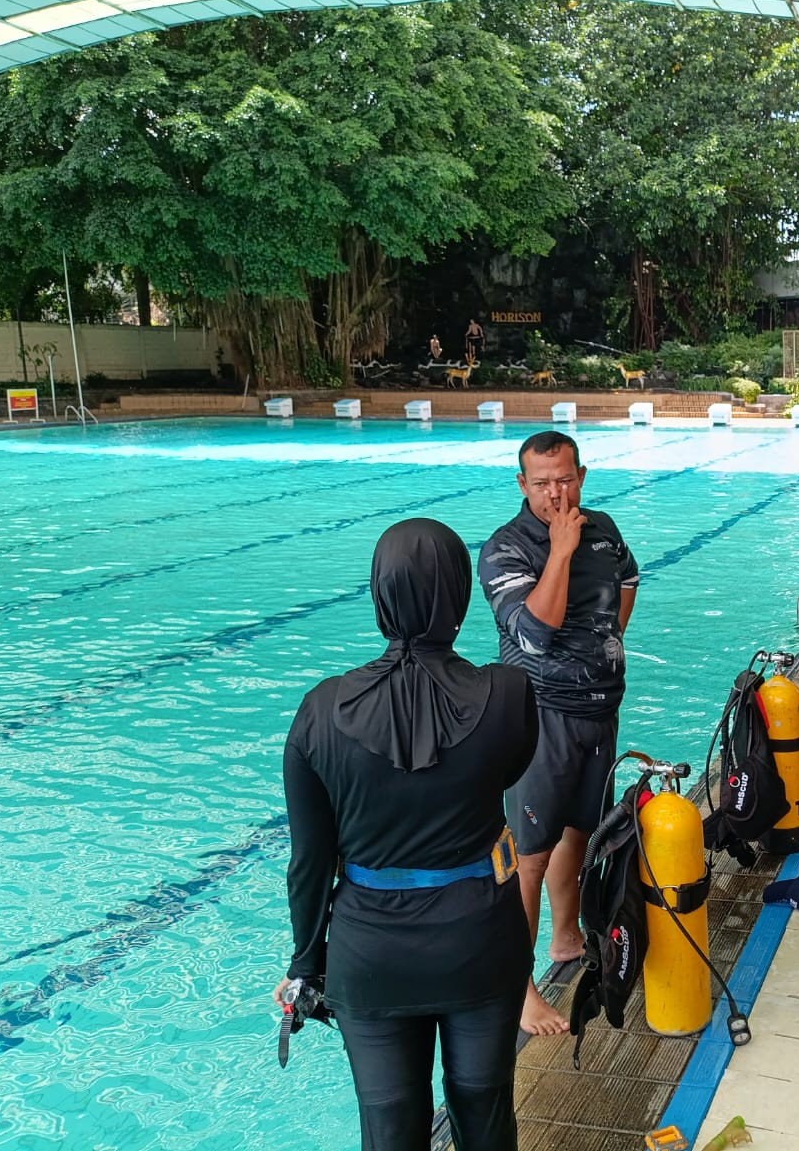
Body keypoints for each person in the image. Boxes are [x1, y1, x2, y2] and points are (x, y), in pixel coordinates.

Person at [279, 518, 538, 1151]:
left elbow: (310, 863)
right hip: (481, 943)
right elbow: (509, 771)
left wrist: (305, 965)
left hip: (371, 958)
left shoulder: (321, 711)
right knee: (485, 1115)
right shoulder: (507, 695)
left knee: (390, 1128)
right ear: (459, 593)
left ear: (379, 594)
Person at [479, 430, 639, 1036]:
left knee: (582, 829)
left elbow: (627, 579)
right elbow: (537, 632)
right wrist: (561, 550)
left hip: (599, 710)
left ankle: (566, 938)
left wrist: (607, 640)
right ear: (522, 485)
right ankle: (518, 989)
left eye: (565, 479)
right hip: (538, 718)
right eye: (541, 482)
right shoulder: (506, 550)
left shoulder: (602, 526)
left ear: (582, 475)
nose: (555, 492)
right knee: (530, 855)